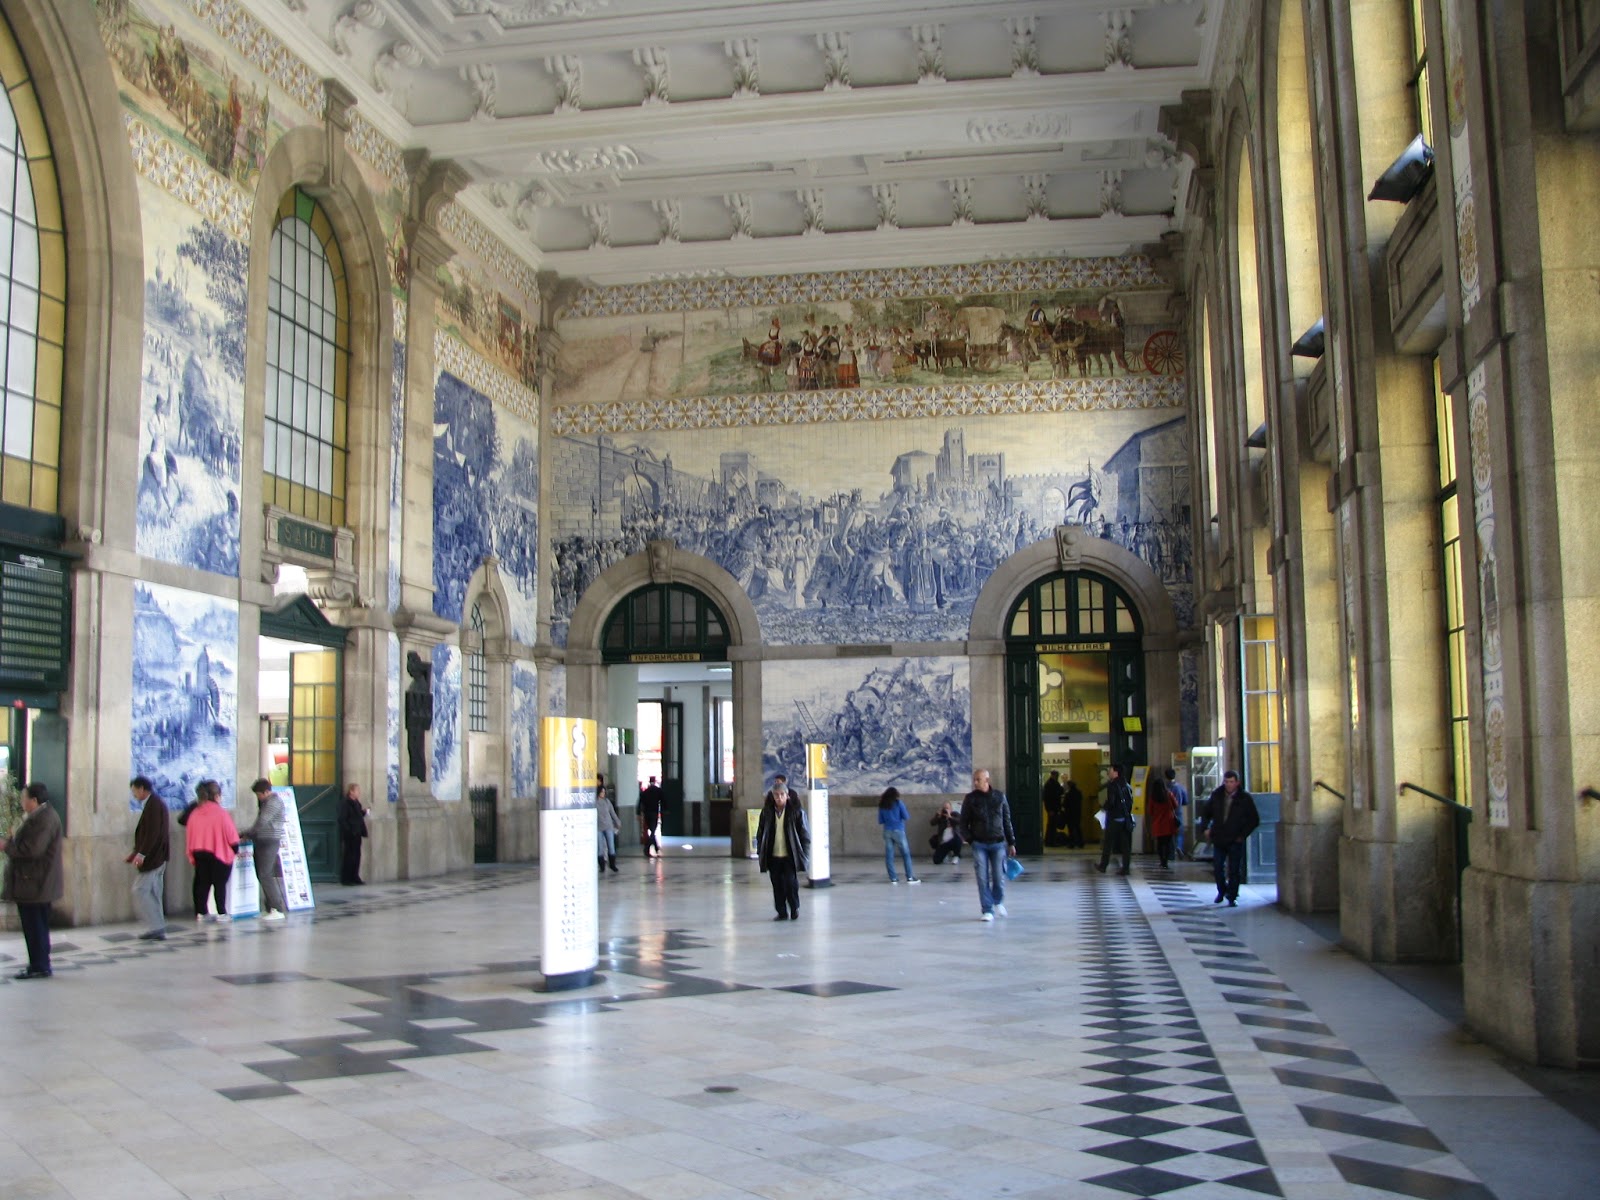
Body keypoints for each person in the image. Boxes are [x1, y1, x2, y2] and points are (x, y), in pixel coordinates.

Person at [1, 782, 64, 978]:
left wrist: (6, 847)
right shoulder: (40, 816)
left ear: (34, 801)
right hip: (34, 882)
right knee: (36, 926)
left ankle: (39, 966)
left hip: (35, 883)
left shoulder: (44, 819)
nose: (21, 801)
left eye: (24, 798)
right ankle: (39, 964)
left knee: (35, 926)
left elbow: (33, 850)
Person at [958, 769, 1015, 922]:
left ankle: (998, 901)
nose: (975, 782)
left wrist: (1011, 842)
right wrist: (971, 840)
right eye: (974, 779)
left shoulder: (999, 797)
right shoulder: (970, 799)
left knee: (998, 876)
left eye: (978, 779)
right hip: (979, 844)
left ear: (987, 780)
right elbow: (963, 823)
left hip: (998, 843)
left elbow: (1006, 820)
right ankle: (987, 909)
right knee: (982, 878)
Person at [1201, 770, 1261, 906]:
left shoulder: (1244, 798)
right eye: (1226, 782)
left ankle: (1232, 896)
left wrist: (1242, 835)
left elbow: (1254, 819)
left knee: (1234, 869)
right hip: (1219, 837)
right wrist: (1205, 828)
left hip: (1235, 839)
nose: (1228, 785)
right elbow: (1206, 812)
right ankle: (1221, 890)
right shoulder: (1217, 795)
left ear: (1237, 783)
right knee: (1218, 867)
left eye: (1231, 782)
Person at [755, 774, 809, 921]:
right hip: (773, 855)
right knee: (777, 884)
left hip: (790, 854)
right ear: (772, 796)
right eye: (776, 795)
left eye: (782, 795)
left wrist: (804, 854)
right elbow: (760, 833)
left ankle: (794, 907)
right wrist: (761, 850)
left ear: (787, 796)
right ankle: (781, 911)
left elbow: (805, 835)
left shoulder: (796, 813)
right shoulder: (767, 813)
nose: (779, 798)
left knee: (790, 883)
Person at [184, 780, 239, 922]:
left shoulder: (195, 813)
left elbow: (190, 832)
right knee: (219, 884)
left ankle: (201, 912)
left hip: (199, 852)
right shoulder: (221, 813)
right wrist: (234, 850)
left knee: (202, 883)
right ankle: (222, 913)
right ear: (216, 796)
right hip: (218, 853)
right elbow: (231, 835)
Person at [127, 776, 170, 940]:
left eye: (134, 791)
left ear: (141, 789)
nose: (134, 795)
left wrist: (141, 854)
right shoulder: (154, 804)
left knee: (140, 890)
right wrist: (135, 853)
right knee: (153, 892)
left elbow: (152, 833)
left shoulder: (154, 805)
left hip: (154, 858)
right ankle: (157, 927)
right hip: (156, 857)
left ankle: (157, 926)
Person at [238, 778, 288, 920]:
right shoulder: (267, 802)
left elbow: (262, 822)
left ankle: (277, 909)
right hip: (263, 841)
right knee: (263, 874)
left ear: (267, 792)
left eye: (259, 794)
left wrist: (246, 833)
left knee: (265, 875)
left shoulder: (273, 803)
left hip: (269, 841)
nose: (258, 797)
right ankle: (270, 907)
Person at [1095, 764, 1134, 876]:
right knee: (1126, 845)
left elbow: (1111, 802)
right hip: (1125, 818)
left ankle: (1103, 865)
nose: (1108, 772)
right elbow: (1130, 802)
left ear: (1116, 772)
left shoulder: (1112, 785)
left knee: (1108, 842)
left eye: (1110, 770)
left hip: (1115, 818)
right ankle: (1126, 868)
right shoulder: (1126, 784)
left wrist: (1104, 809)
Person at [877, 787, 920, 883]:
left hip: (887, 831)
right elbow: (906, 816)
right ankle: (909, 877)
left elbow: (880, 820)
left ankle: (893, 878)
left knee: (889, 855)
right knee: (906, 854)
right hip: (898, 831)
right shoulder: (898, 803)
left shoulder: (882, 805)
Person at [338, 783, 369, 885]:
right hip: (350, 834)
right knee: (349, 856)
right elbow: (342, 819)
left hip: (357, 833)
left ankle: (355, 876)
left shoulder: (356, 803)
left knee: (356, 856)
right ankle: (346, 878)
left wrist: (364, 812)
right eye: (357, 790)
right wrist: (349, 830)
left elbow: (358, 815)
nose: (358, 793)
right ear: (351, 791)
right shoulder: (346, 803)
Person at [1146, 772, 1178, 869]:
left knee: (1160, 843)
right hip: (1168, 822)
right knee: (1168, 842)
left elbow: (1150, 811)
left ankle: (1162, 860)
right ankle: (1166, 860)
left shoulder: (1153, 797)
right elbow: (1175, 805)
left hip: (1158, 823)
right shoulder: (1169, 794)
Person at [596, 772, 621, 874]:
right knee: (600, 848)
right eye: (602, 792)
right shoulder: (594, 802)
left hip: (608, 826)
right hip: (598, 828)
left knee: (611, 846)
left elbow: (612, 813)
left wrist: (617, 822)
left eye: (604, 792)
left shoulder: (607, 802)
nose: (603, 793)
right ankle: (602, 866)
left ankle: (612, 864)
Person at [1165, 768, 1191, 859]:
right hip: (1178, 812)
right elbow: (1186, 801)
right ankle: (1179, 846)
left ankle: (1171, 853)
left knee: (1169, 833)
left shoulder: (1165, 787)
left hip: (1167, 813)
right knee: (1179, 832)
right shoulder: (1180, 787)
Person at [638, 775, 663, 859]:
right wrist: (665, 810)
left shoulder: (645, 792)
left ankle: (654, 848)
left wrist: (638, 813)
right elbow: (663, 800)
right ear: (655, 781)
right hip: (654, 813)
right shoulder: (658, 791)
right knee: (652, 831)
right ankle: (648, 849)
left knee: (652, 831)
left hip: (647, 814)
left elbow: (640, 802)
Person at [1041, 770, 1067, 847]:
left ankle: (1050, 841)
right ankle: (1050, 841)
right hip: (1053, 808)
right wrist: (1050, 809)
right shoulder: (1051, 784)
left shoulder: (1051, 783)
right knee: (1052, 825)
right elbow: (1048, 798)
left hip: (1054, 807)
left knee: (1052, 825)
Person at [1063, 779, 1086, 848]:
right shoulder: (1079, 793)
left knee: (1071, 829)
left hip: (1069, 813)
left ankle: (1071, 843)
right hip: (1077, 812)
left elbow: (1065, 804)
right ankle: (1080, 842)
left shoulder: (1068, 794)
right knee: (1078, 827)